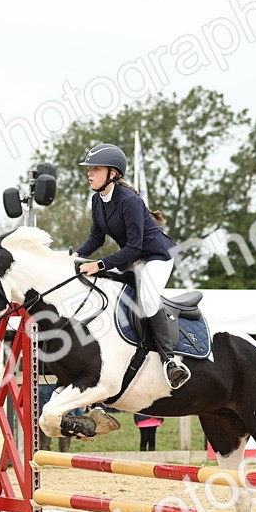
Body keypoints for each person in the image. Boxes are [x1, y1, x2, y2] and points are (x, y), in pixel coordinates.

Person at [74, 143, 191, 390]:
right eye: (89, 169)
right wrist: (75, 255)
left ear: (113, 174)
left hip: (157, 257)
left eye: (95, 168)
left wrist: (100, 264)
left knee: (148, 299)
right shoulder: (98, 200)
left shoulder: (129, 200)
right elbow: (97, 238)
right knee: (102, 285)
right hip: (133, 259)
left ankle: (170, 361)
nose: (89, 173)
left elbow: (135, 247)